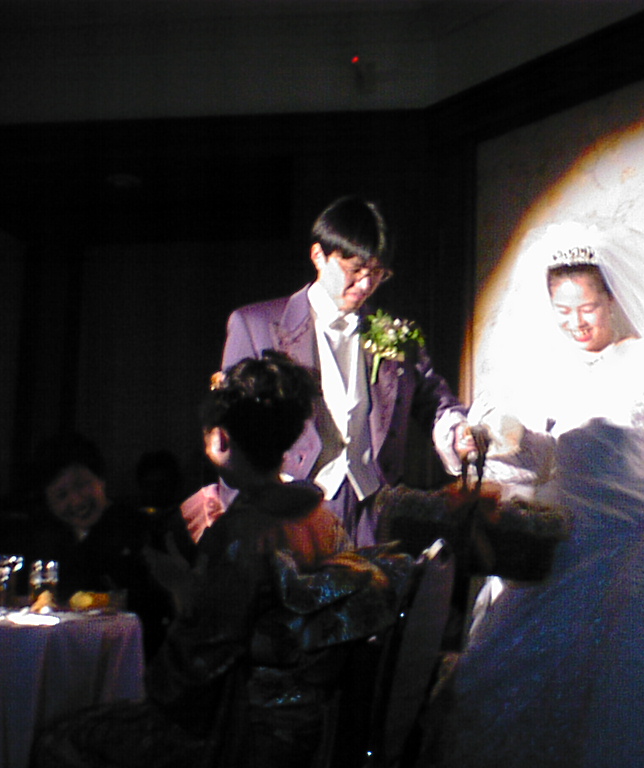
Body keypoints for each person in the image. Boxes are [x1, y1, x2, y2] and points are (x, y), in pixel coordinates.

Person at [420, 220, 644, 768]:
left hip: (637, 533)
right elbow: (541, 458)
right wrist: (495, 439)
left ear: (611, 299)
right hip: (559, 536)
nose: (575, 322)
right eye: (562, 310)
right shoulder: (546, 370)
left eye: (587, 307)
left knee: (639, 684)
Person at [33, 352, 412, 768]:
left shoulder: (240, 535)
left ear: (220, 440)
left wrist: (183, 593)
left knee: (58, 741)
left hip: (239, 736)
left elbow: (185, 678)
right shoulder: (321, 519)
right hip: (311, 729)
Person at [205, 195, 468, 548]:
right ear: (319, 256)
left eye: (377, 273)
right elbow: (231, 427)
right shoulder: (255, 325)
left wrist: (458, 430)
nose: (365, 284)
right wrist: (240, 522)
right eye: (354, 270)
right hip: (289, 507)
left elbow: (432, 398)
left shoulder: (394, 333)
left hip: (371, 506)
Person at [30, 433, 172, 657]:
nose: (76, 501)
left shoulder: (137, 529)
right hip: (64, 652)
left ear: (102, 480)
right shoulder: (47, 538)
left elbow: (156, 604)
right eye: (61, 495)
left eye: (82, 485)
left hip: (130, 653)